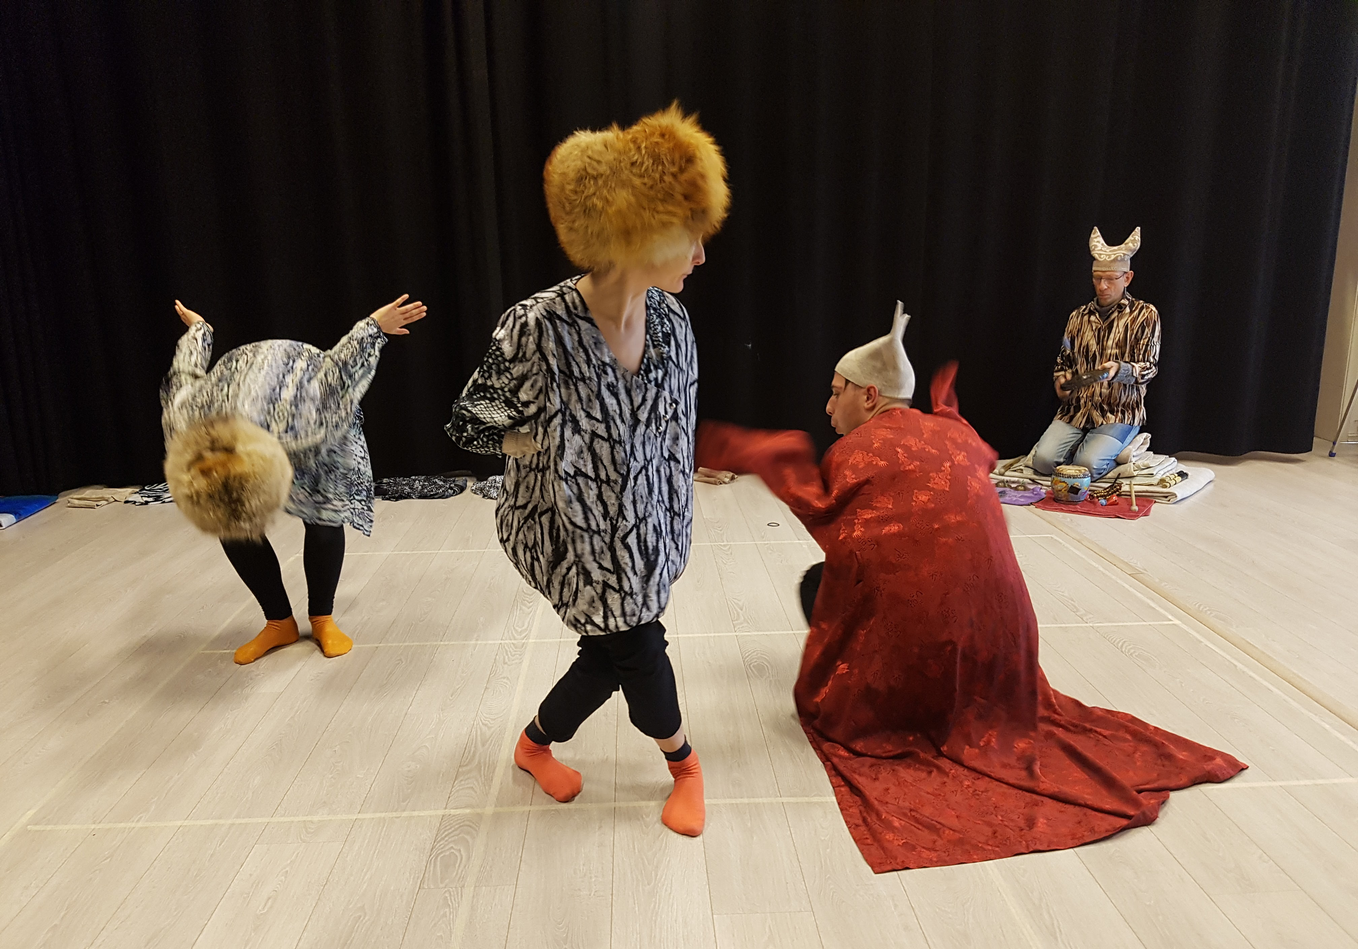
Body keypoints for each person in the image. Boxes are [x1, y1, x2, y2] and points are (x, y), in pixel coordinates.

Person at [696, 303, 1244, 872]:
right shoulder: (956, 435)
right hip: (1006, 648)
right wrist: (949, 413)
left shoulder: (855, 452)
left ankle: (899, 692)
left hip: (927, 654)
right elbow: (964, 469)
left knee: (823, 584)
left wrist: (765, 456)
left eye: (836, 394)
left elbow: (828, 520)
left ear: (870, 396)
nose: (828, 406)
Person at [446, 104, 728, 837]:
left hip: (646, 534)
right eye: (691, 237)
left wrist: (670, 519)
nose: (700, 256)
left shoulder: (672, 324)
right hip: (571, 538)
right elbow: (470, 424)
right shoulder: (536, 329)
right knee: (640, 650)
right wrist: (538, 444)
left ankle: (534, 744)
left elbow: (674, 438)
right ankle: (684, 762)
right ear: (644, 234)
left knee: (608, 653)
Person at [162, 294, 426, 664]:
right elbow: (185, 371)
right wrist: (199, 331)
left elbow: (340, 368)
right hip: (237, 384)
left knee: (324, 517)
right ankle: (279, 622)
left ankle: (322, 618)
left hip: (303, 379)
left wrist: (374, 327)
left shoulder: (312, 414)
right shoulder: (185, 418)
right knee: (233, 528)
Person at [1032, 227, 1161, 480]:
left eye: (1111, 279)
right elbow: (1064, 360)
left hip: (1119, 411)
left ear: (1127, 278)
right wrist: (1061, 380)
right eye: (1097, 278)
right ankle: (1087, 448)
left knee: (1087, 467)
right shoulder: (1077, 317)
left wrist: (1119, 370)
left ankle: (1129, 451)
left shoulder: (1145, 315)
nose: (1102, 286)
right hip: (1077, 410)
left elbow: (1149, 367)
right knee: (1043, 462)